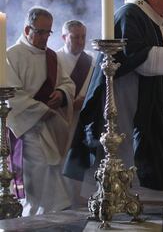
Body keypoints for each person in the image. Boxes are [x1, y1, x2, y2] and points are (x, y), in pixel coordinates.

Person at [64, 0, 163, 201]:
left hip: (151, 88)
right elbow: (134, 54)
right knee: (123, 136)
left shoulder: (158, 17)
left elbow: (155, 50)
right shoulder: (130, 14)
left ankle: (148, 186)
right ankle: (119, 186)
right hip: (125, 87)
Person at [6, 7, 75, 216]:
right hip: (24, 128)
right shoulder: (11, 55)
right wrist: (40, 110)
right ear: (28, 29)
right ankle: (36, 215)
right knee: (37, 171)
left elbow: (67, 83)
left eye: (48, 32)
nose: (45, 38)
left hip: (46, 125)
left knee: (51, 167)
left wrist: (62, 94)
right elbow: (11, 95)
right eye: (41, 32)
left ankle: (51, 214)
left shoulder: (51, 57)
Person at [56, 20, 94, 207]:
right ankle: (62, 202)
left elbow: (97, 89)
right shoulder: (54, 60)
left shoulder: (91, 61)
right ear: (64, 37)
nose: (80, 41)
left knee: (79, 160)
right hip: (60, 119)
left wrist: (85, 100)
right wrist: (69, 101)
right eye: (75, 37)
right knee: (59, 160)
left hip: (83, 121)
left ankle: (80, 201)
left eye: (83, 37)